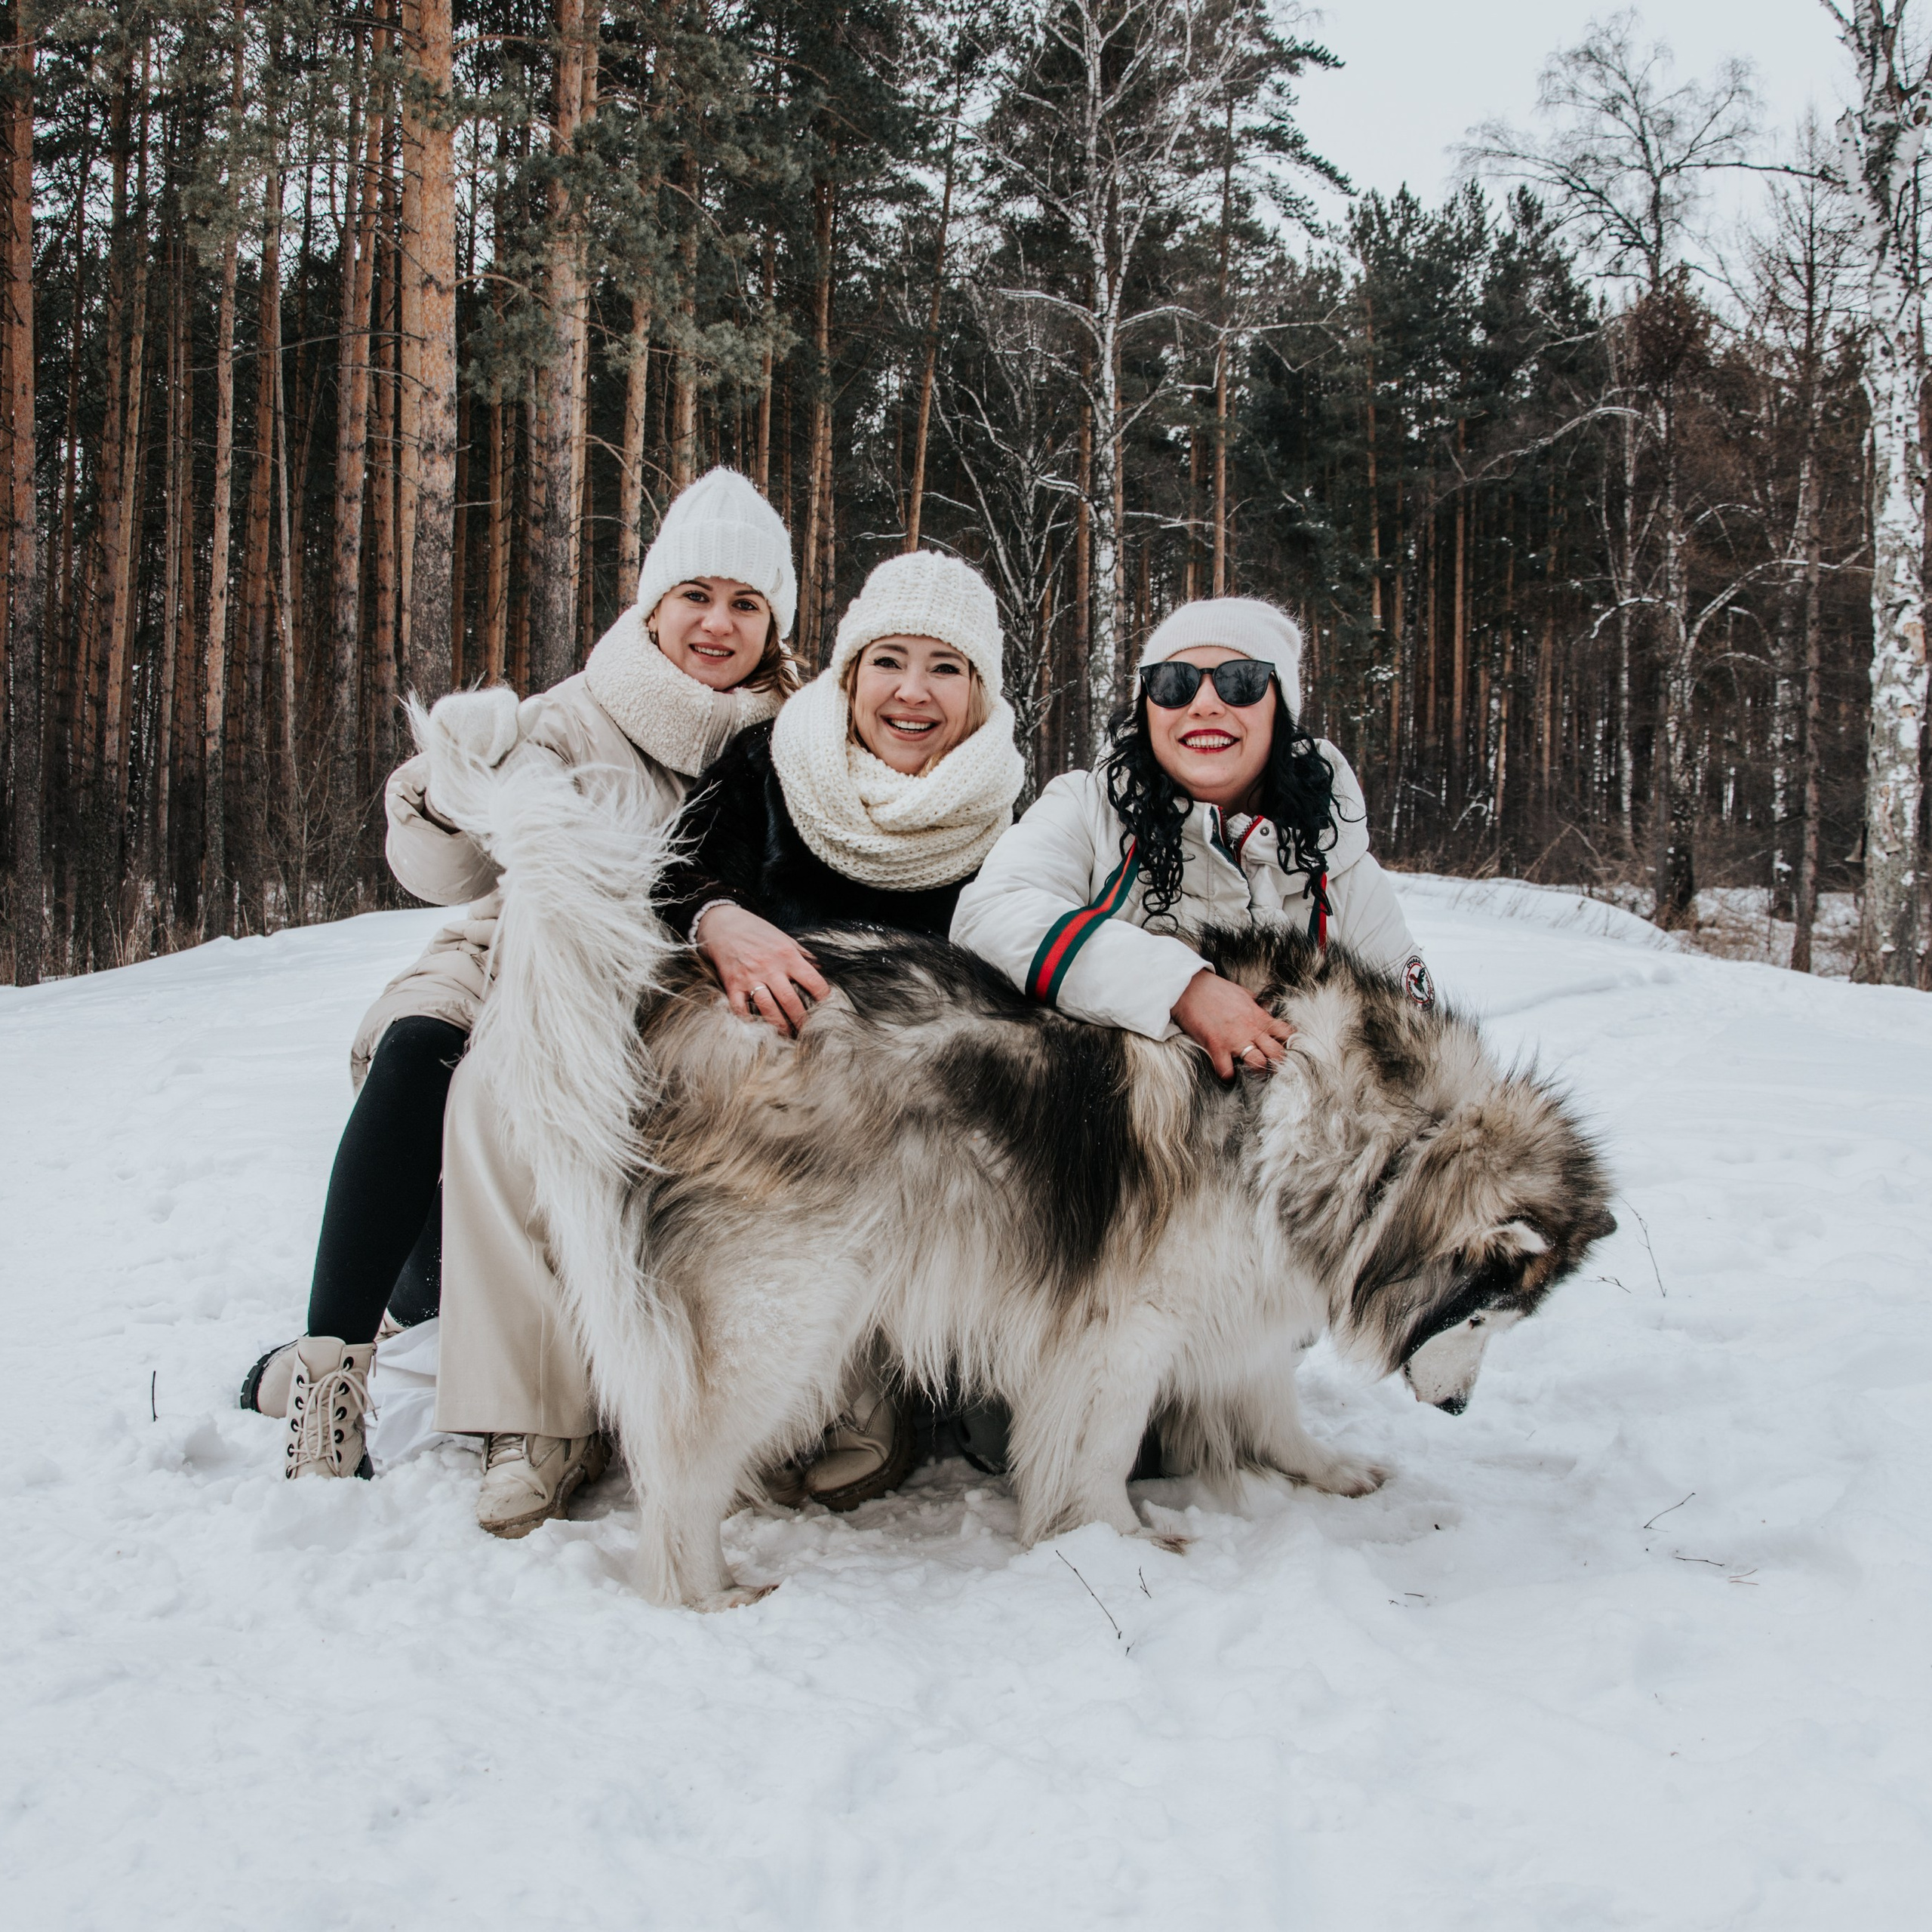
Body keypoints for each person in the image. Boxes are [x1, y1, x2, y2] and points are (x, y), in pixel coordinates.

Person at [434, 547, 1025, 1532]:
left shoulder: (1008, 812)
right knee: (505, 1091)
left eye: (946, 667)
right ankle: (546, 1419)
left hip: (897, 1101)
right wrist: (718, 917)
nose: (912, 693)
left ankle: (862, 1384)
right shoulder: (773, 759)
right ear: (849, 673)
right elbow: (665, 875)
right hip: (731, 1056)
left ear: (980, 690)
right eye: (888, 660)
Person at [242, 468, 800, 1488]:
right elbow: (446, 874)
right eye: (696, 596)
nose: (717, 625)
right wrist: (452, 783)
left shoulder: (792, 747)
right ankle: (329, 1381)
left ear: (776, 625)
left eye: (746, 603)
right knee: (420, 1052)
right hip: (513, 977)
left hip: (673, 1018)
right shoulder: (577, 715)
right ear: (654, 603)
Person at [947, 596, 1432, 1472]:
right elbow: (990, 914)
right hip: (1091, 1196)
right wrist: (1182, 988)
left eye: (1240, 681)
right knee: (999, 1437)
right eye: (1174, 682)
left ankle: (1245, 1404)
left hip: (1247, 1221)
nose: (1204, 704)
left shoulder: (1336, 857)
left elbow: (1411, 1031)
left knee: (1194, 1417)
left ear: (1278, 705)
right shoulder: (1090, 806)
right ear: (1145, 705)